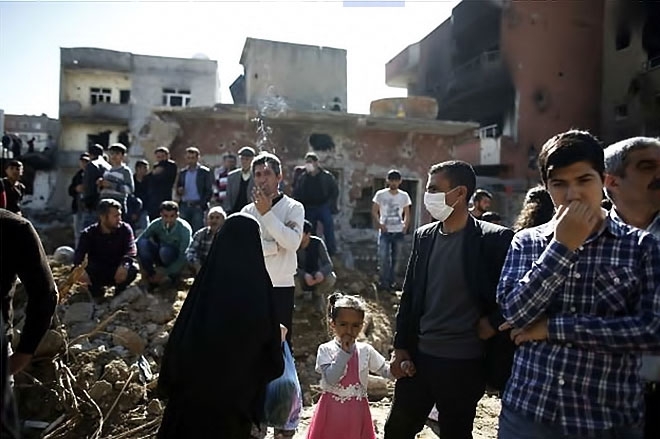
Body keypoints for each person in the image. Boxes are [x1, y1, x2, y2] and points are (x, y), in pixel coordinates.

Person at [496, 130, 660, 439]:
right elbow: (514, 313)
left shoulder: (641, 247)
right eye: (559, 184)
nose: (573, 194)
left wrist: (553, 328)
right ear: (546, 187)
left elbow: (651, 332)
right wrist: (561, 248)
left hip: (606, 419)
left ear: (603, 181)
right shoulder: (527, 242)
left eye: (584, 180)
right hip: (530, 412)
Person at [384, 160, 514, 439]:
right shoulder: (424, 237)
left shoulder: (494, 240)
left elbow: (515, 295)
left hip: (463, 363)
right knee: (396, 430)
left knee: (455, 432)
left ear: (459, 193)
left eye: (434, 188)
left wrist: (492, 322)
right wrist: (400, 346)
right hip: (419, 359)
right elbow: (409, 296)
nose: (428, 195)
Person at [157, 213, 284, 439]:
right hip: (234, 403)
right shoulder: (259, 288)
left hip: (191, 401)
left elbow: (180, 341)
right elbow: (269, 348)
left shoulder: (206, 284)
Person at [603, 136, 660, 439]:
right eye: (648, 167)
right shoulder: (584, 240)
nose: (659, 175)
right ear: (612, 182)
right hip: (604, 399)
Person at [307, 293, 392, 439]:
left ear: (362, 325)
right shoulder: (326, 350)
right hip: (331, 413)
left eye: (355, 326)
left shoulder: (365, 350)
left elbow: (385, 370)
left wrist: (401, 366)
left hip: (357, 413)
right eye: (343, 324)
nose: (349, 330)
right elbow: (331, 379)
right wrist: (344, 354)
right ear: (333, 324)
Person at [241, 152, 304, 348]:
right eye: (258, 174)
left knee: (279, 344)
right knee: (251, 342)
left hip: (281, 287)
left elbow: (293, 243)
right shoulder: (246, 212)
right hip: (253, 287)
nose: (262, 179)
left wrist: (267, 214)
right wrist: (272, 246)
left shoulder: (294, 208)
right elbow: (245, 251)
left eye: (267, 173)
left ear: (279, 177)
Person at [0, 209, 58, 377]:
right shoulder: (13, 227)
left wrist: (24, 352)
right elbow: (46, 294)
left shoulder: (13, 228)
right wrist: (25, 352)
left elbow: (45, 294)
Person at [73, 199, 138, 300]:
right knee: (81, 272)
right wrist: (80, 271)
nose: (119, 219)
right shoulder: (88, 234)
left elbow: (131, 249)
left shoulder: (125, 229)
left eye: (119, 215)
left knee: (132, 268)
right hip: (97, 271)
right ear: (103, 217)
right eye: (115, 216)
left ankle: (119, 292)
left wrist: (124, 265)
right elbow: (79, 256)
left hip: (117, 270)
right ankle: (96, 292)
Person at [371, 169, 412, 291]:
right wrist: (379, 224)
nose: (393, 183)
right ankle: (383, 283)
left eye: (396, 181)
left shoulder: (404, 196)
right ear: (387, 180)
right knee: (383, 257)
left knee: (397, 259)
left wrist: (405, 226)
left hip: (398, 231)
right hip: (385, 231)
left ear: (400, 181)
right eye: (391, 180)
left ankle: (392, 283)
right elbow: (374, 210)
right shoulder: (380, 194)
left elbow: (407, 213)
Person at [292, 152, 339, 256]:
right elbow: (297, 191)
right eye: (307, 162)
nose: (308, 164)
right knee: (310, 232)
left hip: (323, 206)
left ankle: (331, 253)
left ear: (316, 163)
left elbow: (334, 191)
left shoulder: (326, 176)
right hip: (309, 207)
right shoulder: (302, 177)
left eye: (310, 162)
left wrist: (331, 205)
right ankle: (312, 253)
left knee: (328, 228)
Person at [137, 201, 192, 287]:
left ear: (177, 215)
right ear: (161, 215)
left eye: (172, 216)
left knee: (165, 251)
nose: (169, 219)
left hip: (175, 259)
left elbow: (184, 255)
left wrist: (166, 272)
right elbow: (140, 239)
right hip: (159, 255)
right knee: (143, 243)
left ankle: (171, 276)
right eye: (165, 216)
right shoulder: (156, 224)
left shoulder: (184, 229)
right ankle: (150, 274)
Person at [296, 220, 336, 314]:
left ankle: (317, 295)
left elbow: (328, 264)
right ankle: (299, 298)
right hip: (300, 277)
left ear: (307, 234)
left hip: (316, 276)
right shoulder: (292, 244)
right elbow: (289, 266)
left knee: (331, 277)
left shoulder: (318, 243)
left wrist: (321, 273)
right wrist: (304, 275)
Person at [176, 146, 214, 232]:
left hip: (197, 206)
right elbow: (178, 187)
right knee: (183, 230)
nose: (190, 160)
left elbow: (209, 190)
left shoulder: (204, 172)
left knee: (197, 230)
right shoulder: (183, 173)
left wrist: (201, 204)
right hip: (184, 205)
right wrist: (179, 190)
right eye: (188, 158)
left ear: (197, 158)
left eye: (193, 158)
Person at [186, 206, 226, 274]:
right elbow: (190, 252)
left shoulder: (227, 235)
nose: (214, 220)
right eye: (211, 218)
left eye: (217, 218)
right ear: (207, 220)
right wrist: (196, 264)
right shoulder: (200, 234)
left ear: (223, 220)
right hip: (202, 267)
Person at [98, 143, 134, 217]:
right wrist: (100, 184)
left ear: (123, 156)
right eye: (112, 153)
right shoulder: (107, 171)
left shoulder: (125, 171)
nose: (114, 156)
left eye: (117, 153)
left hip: (118, 205)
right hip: (105, 204)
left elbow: (130, 189)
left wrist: (111, 185)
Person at [82, 144, 111, 228]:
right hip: (106, 204)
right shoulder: (109, 166)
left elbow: (88, 186)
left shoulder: (91, 165)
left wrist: (86, 201)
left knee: (88, 233)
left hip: (93, 205)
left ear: (90, 154)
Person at [146, 147, 178, 220]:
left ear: (167, 156)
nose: (160, 159)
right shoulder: (156, 166)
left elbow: (165, 177)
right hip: (153, 200)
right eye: (158, 157)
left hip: (164, 197)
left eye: (162, 156)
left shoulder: (171, 165)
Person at [225, 146, 256, 214]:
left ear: (252, 160)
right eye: (242, 159)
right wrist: (228, 210)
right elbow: (228, 196)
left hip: (251, 211)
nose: (244, 161)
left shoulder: (256, 176)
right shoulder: (232, 176)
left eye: (247, 159)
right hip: (235, 210)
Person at [68, 153, 90, 246]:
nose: (84, 164)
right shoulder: (77, 176)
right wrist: (76, 189)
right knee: (78, 233)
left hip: (88, 208)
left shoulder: (91, 174)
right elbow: (70, 191)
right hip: (77, 208)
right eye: (82, 162)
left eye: (86, 162)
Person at [131, 159, 151, 234]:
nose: (146, 170)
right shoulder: (132, 180)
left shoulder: (148, 181)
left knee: (145, 230)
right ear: (138, 168)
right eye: (144, 168)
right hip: (133, 209)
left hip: (144, 209)